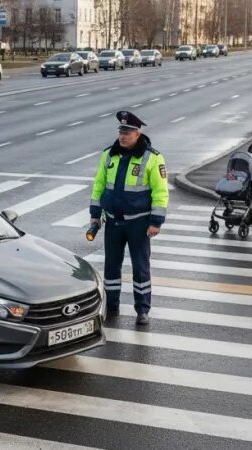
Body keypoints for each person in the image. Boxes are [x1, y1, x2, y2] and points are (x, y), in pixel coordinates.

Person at [89, 111, 169, 325]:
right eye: (121, 132)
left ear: (138, 133)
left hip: (139, 223)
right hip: (114, 221)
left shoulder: (152, 157)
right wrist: (95, 216)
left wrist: (156, 222)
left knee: (140, 267)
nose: (123, 136)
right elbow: (98, 185)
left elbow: (160, 192)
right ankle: (111, 304)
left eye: (128, 132)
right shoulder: (109, 155)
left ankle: (142, 309)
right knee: (111, 266)